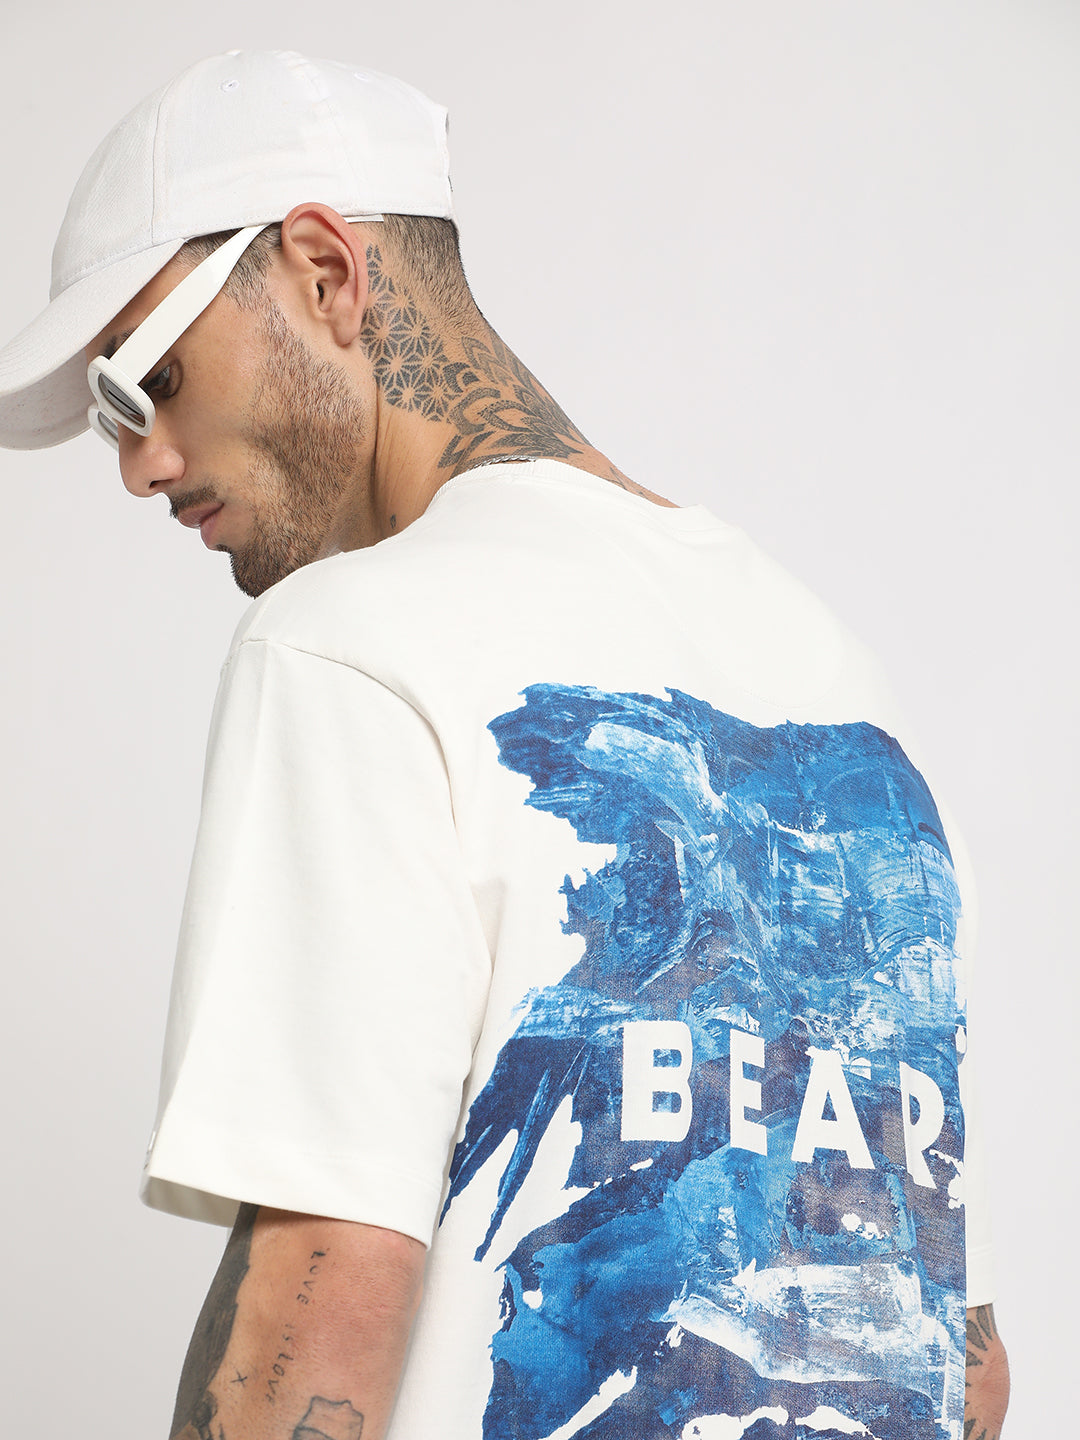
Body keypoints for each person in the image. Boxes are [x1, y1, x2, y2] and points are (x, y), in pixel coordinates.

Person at [0, 49, 1008, 1440]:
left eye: (148, 380)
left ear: (324, 272)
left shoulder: (349, 646)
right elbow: (960, 1353)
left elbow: (319, 1309)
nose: (140, 463)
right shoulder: (838, 676)